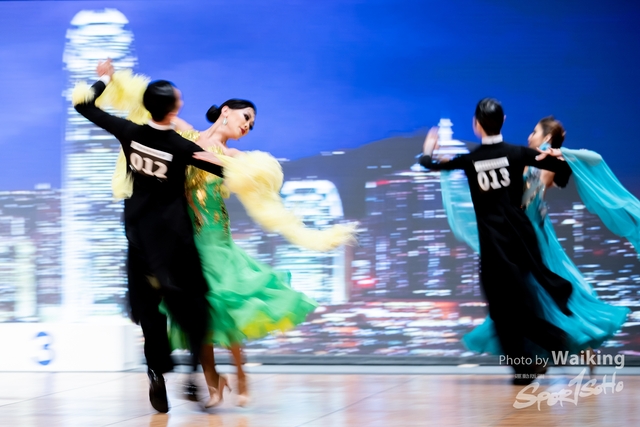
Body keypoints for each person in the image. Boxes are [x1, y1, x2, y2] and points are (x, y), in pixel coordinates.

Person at [72, 59, 225, 413]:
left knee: (150, 316)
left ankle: (156, 373)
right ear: (172, 109)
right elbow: (222, 167)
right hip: (175, 244)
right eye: (179, 99)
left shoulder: (130, 133)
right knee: (194, 309)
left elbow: (84, 106)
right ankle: (191, 375)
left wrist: (106, 79)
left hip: (140, 241)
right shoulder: (180, 147)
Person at [163, 102, 318, 408]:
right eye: (246, 117)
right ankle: (213, 381)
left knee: (225, 301)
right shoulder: (186, 134)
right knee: (198, 312)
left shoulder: (234, 156)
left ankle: (241, 374)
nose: (248, 125)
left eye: (252, 124)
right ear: (225, 111)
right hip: (185, 236)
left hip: (215, 237)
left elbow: (259, 176)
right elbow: (155, 113)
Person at [419, 98, 575, 385]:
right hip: (522, 242)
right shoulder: (517, 153)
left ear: (476, 125)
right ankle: (527, 367)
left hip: (495, 247)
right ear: (503, 121)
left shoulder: (470, 159)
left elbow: (431, 165)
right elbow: (562, 169)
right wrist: (558, 157)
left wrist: (428, 150)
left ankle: (551, 343)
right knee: (513, 307)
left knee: (503, 310)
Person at [458, 117, 633, 369]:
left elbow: (594, 158)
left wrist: (562, 152)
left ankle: (563, 347)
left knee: (535, 296)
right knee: (533, 297)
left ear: (547, 137)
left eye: (534, 131)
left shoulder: (547, 161)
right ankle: (555, 352)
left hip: (530, 237)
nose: (530, 136)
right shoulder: (531, 159)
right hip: (524, 233)